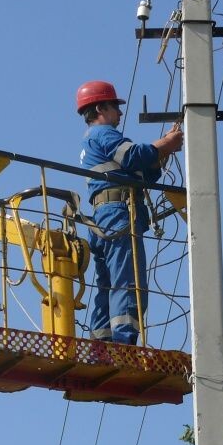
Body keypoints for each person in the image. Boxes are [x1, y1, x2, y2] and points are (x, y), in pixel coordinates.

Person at [76, 80, 183, 345]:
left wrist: (162, 151)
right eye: (115, 107)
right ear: (100, 108)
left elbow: (139, 171)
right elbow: (133, 156)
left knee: (107, 283)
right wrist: (165, 144)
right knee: (127, 278)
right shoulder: (103, 134)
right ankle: (124, 343)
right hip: (118, 214)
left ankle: (101, 344)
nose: (120, 113)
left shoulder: (92, 140)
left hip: (103, 216)